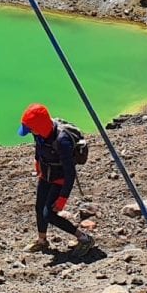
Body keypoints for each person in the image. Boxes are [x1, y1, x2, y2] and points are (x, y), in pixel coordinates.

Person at [20, 103, 92, 253]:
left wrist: (62, 199)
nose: (30, 132)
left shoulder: (62, 141)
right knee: (39, 208)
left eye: (31, 129)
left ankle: (84, 238)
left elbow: (70, 173)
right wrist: (37, 163)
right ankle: (42, 240)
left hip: (60, 179)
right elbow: (38, 148)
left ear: (40, 126)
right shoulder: (38, 133)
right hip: (46, 175)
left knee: (49, 214)